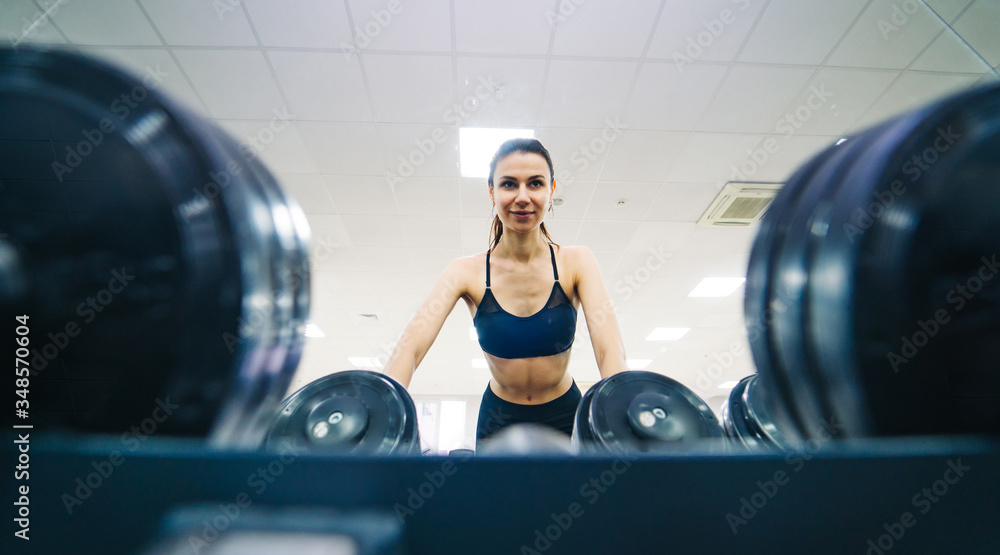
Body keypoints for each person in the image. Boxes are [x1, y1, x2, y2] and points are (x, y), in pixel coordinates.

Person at [383, 138, 628, 448]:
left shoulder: (576, 262)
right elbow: (409, 348)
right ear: (492, 193)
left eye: (535, 184)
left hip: (565, 414)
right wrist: (383, 410)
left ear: (551, 191)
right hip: (498, 418)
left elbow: (610, 353)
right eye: (509, 184)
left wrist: (622, 413)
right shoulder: (464, 271)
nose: (523, 197)